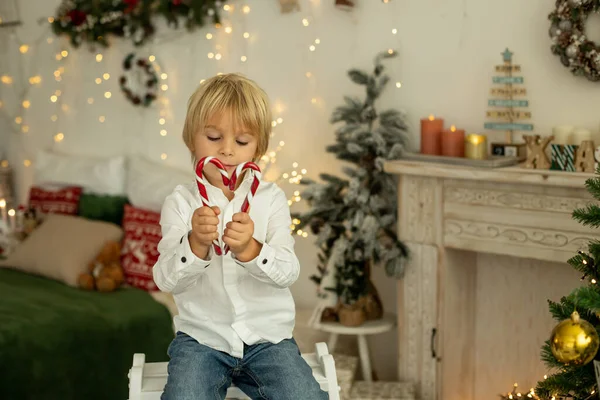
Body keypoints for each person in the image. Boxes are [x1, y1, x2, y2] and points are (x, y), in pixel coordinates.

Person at [153, 73, 328, 400]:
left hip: (268, 340)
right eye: (214, 136)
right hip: (202, 340)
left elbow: (288, 272)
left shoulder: (271, 199)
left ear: (258, 148)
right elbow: (165, 279)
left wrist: (251, 248)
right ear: (192, 138)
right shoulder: (180, 203)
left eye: (242, 142)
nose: (227, 151)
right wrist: (195, 244)